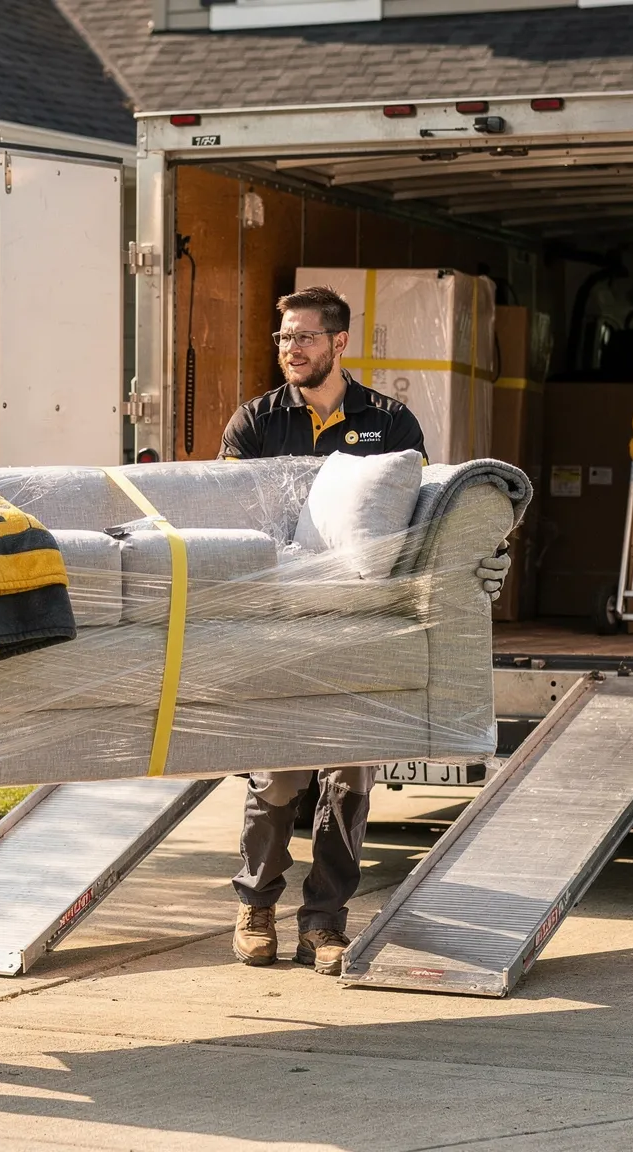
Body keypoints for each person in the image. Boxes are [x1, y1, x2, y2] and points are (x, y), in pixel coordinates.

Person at [219, 285, 509, 975]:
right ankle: (256, 903)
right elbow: (233, 515)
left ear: (339, 343)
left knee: (350, 777)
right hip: (284, 621)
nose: (291, 349)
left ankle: (324, 924)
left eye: (305, 338)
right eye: (284, 338)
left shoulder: (391, 423)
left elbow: (418, 518)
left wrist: (476, 556)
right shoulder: (254, 424)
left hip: (363, 623)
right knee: (278, 777)